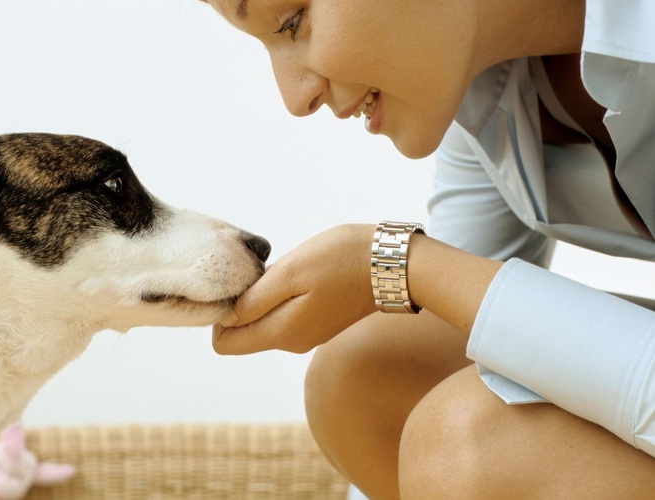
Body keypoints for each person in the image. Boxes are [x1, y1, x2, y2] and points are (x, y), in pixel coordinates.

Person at [202, 0, 655, 498]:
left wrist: (398, 261)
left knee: (470, 442)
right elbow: (474, 315)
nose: (295, 97)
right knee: (362, 372)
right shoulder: (489, 84)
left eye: (293, 21)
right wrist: (402, 270)